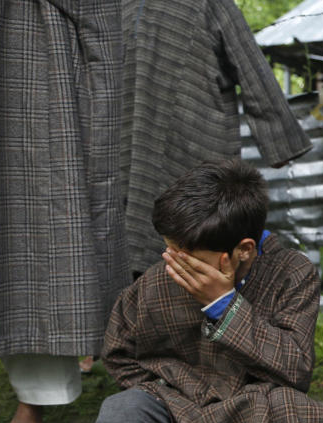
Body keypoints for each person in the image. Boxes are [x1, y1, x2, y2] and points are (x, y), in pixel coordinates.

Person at [91, 159, 323, 423]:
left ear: (241, 251)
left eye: (186, 255)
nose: (172, 261)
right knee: (119, 418)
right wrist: (172, 393)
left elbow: (297, 366)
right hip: (180, 409)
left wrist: (225, 305)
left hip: (254, 414)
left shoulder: (293, 273)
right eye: (168, 248)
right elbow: (119, 356)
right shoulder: (155, 283)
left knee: (287, 407)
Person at [0, 0, 128, 423]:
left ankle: (28, 422)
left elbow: (100, 19)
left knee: (34, 256)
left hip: (28, 83)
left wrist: (100, 127)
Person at [119, 0, 312, 276]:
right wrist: (282, 144)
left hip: (190, 147)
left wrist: (280, 142)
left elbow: (249, 66)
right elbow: (251, 66)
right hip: (145, 148)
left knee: (195, 233)